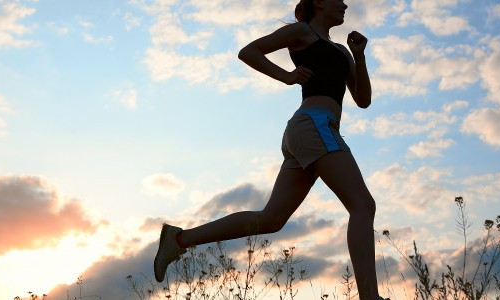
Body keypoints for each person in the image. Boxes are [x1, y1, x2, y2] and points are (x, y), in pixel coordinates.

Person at [154, 0, 387, 299]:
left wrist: (359, 55)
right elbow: (248, 52)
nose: (344, 4)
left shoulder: (342, 50)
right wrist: (287, 76)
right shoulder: (301, 32)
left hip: (307, 132)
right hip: (314, 126)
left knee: (271, 220)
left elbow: (363, 99)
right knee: (363, 205)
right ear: (318, 2)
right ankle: (370, 296)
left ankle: (179, 239)